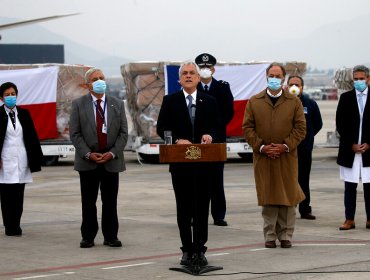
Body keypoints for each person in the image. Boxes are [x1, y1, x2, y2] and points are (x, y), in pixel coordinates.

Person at [157, 61, 221, 266]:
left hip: (204, 166)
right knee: (184, 209)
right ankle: (186, 250)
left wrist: (210, 135)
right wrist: (177, 139)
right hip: (180, 165)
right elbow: (162, 128)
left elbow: (217, 127)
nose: (188, 76)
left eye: (191, 73)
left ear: (198, 77)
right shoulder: (170, 101)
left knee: (202, 209)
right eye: (184, 73)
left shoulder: (209, 101)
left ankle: (200, 250)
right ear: (179, 79)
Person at [242, 63, 306, 249]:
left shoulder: (294, 102)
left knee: (288, 197)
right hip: (264, 158)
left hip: (286, 158)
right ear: (266, 77)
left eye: (278, 76)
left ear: (284, 78)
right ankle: (270, 235)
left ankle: (286, 235)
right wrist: (261, 147)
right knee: (269, 197)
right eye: (271, 75)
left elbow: (301, 128)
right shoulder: (255, 101)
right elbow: (247, 128)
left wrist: (285, 146)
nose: (274, 79)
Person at [69, 68, 128, 248]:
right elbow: (75, 133)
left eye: (102, 78)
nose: (100, 81)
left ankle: (111, 236)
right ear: (88, 85)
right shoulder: (78, 104)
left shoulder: (117, 104)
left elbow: (123, 133)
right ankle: (88, 236)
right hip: (88, 161)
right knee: (88, 202)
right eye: (95, 79)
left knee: (110, 202)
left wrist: (112, 153)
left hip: (111, 160)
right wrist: (88, 153)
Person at [195, 53, 234, 227]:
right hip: (196, 140)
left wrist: (214, 133)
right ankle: (195, 213)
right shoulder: (192, 88)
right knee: (196, 179)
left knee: (216, 178)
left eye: (207, 68)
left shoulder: (223, 88)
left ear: (213, 69)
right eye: (201, 68)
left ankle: (219, 215)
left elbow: (228, 112)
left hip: (217, 139)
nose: (205, 71)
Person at [0, 82, 43, 236]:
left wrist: (36, 158)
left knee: (19, 194)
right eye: (7, 95)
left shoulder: (24, 113)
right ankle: (9, 226)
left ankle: (16, 224)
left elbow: (32, 137)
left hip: (21, 159)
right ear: (1, 98)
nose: (10, 97)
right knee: (6, 196)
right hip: (5, 160)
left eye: (13, 94)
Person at [336, 65, 370, 230]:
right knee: (350, 186)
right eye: (356, 79)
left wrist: (369, 143)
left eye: (361, 79)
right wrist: (352, 144)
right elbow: (340, 124)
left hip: (369, 150)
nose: (359, 82)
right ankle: (349, 219)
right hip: (350, 150)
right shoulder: (346, 98)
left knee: (369, 186)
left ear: (368, 79)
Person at [287, 76, 323, 220]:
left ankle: (305, 209)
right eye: (291, 84)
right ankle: (288, 208)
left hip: (304, 149)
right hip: (287, 149)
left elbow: (318, 124)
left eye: (297, 84)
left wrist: (307, 138)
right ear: (287, 86)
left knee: (303, 179)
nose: (294, 87)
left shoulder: (310, 104)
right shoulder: (283, 103)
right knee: (288, 179)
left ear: (302, 87)